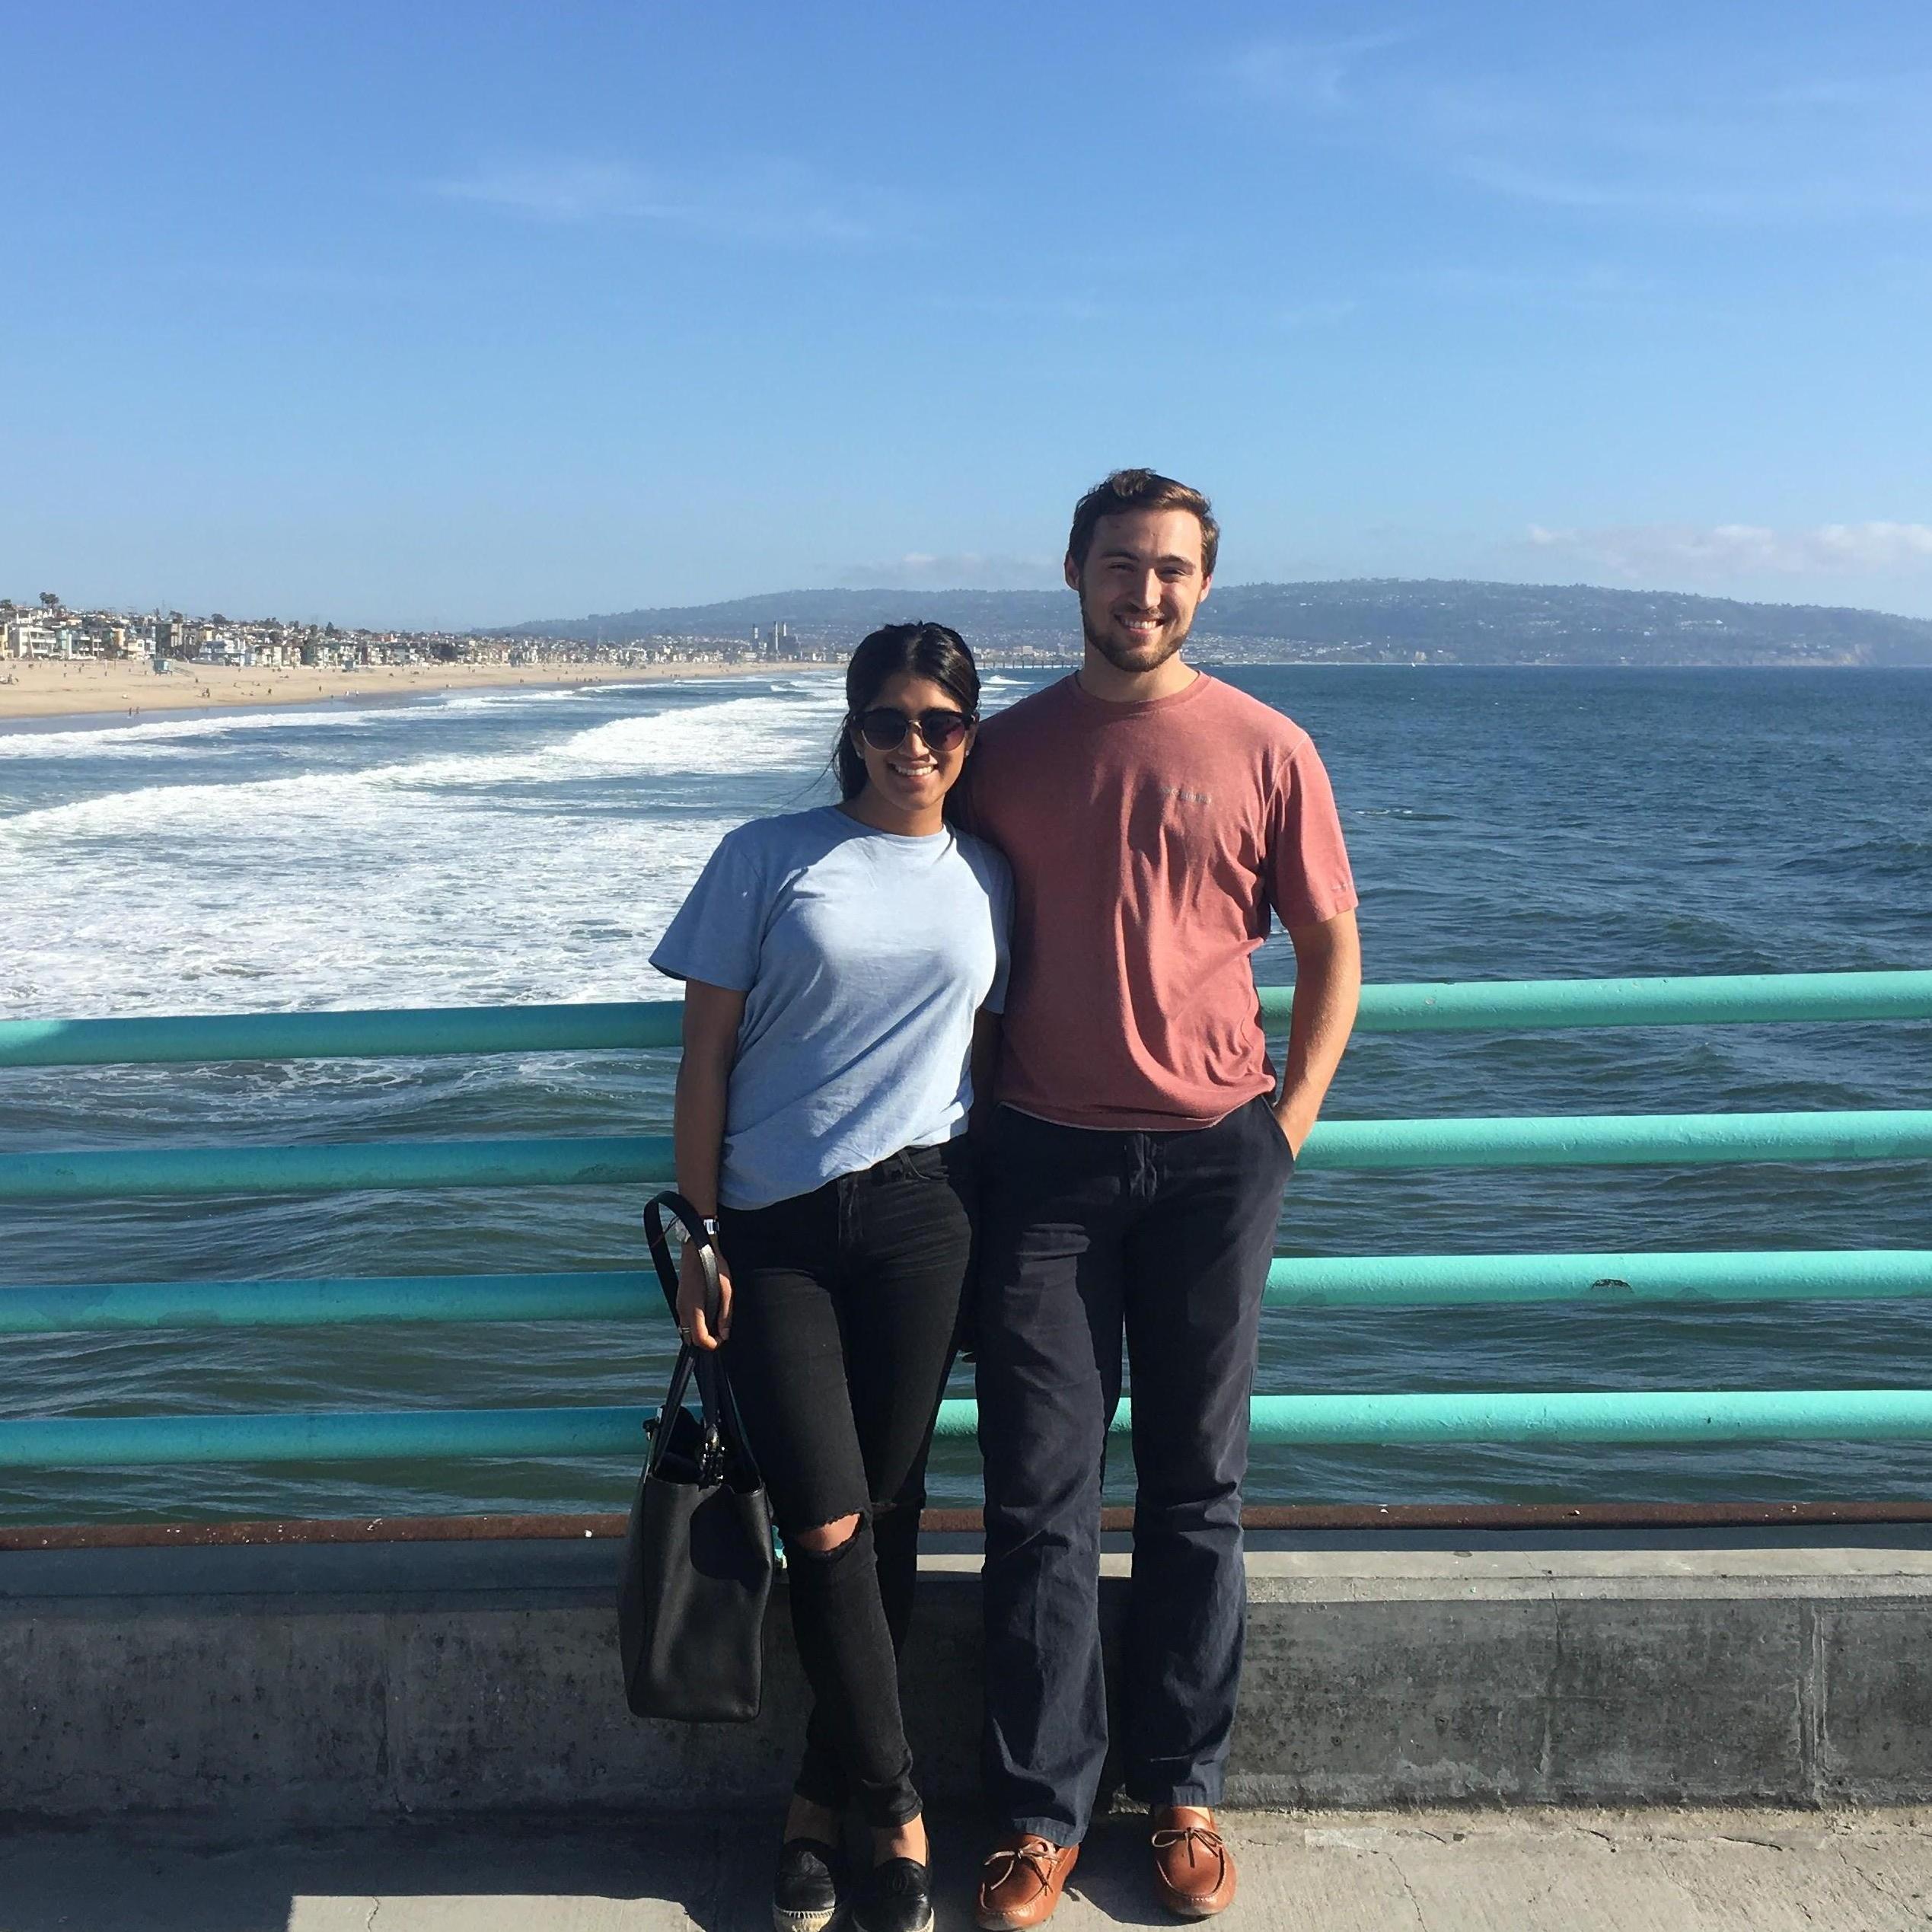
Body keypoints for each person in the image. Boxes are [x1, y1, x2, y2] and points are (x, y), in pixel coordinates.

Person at [961, 470, 1360, 1927]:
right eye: (1122, 564)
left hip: (1211, 1162)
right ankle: (1039, 1811)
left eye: (1172, 569)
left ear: (1204, 584)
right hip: (1043, 1166)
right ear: (1072, 571)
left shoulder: (1267, 746)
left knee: (1197, 1489)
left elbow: (1330, 944)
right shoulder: (1001, 753)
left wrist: (1285, 1128)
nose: (1146, 591)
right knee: (1038, 1493)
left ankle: (1183, 1788)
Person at [649, 623, 1011, 1932]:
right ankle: (898, 1808)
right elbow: (703, 1058)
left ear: (969, 734)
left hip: (927, 1216)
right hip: (777, 1227)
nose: (916, 744)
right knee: (822, 1519)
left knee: (886, 1511)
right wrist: (699, 1233)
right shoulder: (766, 855)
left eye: (942, 722)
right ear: (852, 727)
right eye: (890, 720)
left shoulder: (987, 874)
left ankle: (815, 1805)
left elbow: (994, 1057)